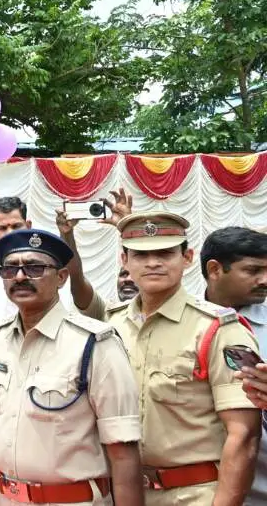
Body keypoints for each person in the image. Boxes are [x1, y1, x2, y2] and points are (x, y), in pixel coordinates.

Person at [94, 212, 261, 505]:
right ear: (124, 261)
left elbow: (244, 434)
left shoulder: (218, 328)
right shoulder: (112, 326)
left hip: (194, 494)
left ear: (187, 258)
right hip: (122, 493)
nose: (153, 263)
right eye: (141, 254)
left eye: (165, 253)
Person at [0, 229, 143, 506]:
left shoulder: (94, 344)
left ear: (62, 277)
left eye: (34, 268)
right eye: (11, 269)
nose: (20, 277)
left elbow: (123, 451)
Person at [0, 192, 130, 321]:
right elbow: (0, 320)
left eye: (16, 226)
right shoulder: (0, 272)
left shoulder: (46, 264)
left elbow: (76, 279)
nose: (10, 233)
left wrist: (66, 233)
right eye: (2, 228)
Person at [198, 226, 267, 502]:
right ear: (215, 270)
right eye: (253, 271)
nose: (265, 280)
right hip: (198, 491)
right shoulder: (185, 324)